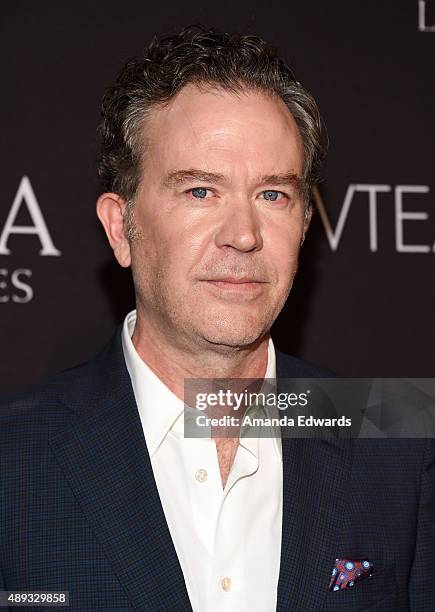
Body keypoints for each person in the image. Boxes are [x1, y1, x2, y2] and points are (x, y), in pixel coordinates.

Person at [0, 25, 434, 612]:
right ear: (119, 227)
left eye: (273, 195)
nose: (244, 235)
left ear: (306, 223)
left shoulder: (397, 436)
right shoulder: (14, 456)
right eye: (201, 191)